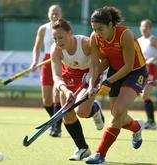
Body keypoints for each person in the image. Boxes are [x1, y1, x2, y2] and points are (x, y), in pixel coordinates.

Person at [85, 6, 148, 164]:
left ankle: (100, 155)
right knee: (116, 113)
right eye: (94, 29)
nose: (97, 33)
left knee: (118, 111)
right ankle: (136, 128)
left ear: (111, 25)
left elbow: (127, 66)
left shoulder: (125, 35)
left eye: (101, 29)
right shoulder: (95, 37)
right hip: (115, 71)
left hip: (135, 72)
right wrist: (92, 85)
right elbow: (95, 65)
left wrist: (107, 82)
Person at [50, 18, 105, 161]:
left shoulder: (86, 43)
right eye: (55, 38)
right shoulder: (55, 50)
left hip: (90, 73)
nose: (58, 41)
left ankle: (94, 109)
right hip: (70, 76)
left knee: (81, 112)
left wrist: (91, 83)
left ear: (70, 33)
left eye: (60, 37)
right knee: (67, 115)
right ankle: (82, 148)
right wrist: (66, 91)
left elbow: (97, 64)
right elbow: (56, 77)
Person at [30, 4, 63, 137]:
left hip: (60, 61)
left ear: (61, 14)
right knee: (46, 101)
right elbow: (36, 47)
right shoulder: (43, 29)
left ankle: (56, 127)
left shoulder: (64, 27)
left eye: (57, 12)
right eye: (52, 12)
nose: (54, 15)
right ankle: (56, 121)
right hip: (46, 62)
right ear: (48, 14)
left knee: (56, 96)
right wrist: (34, 61)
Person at [138, 19, 157, 129]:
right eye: (142, 26)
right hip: (141, 69)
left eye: (146, 27)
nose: (144, 28)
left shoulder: (153, 39)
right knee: (144, 96)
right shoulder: (138, 40)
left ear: (150, 28)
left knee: (144, 95)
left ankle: (152, 122)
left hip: (151, 69)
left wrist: (153, 59)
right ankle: (151, 121)